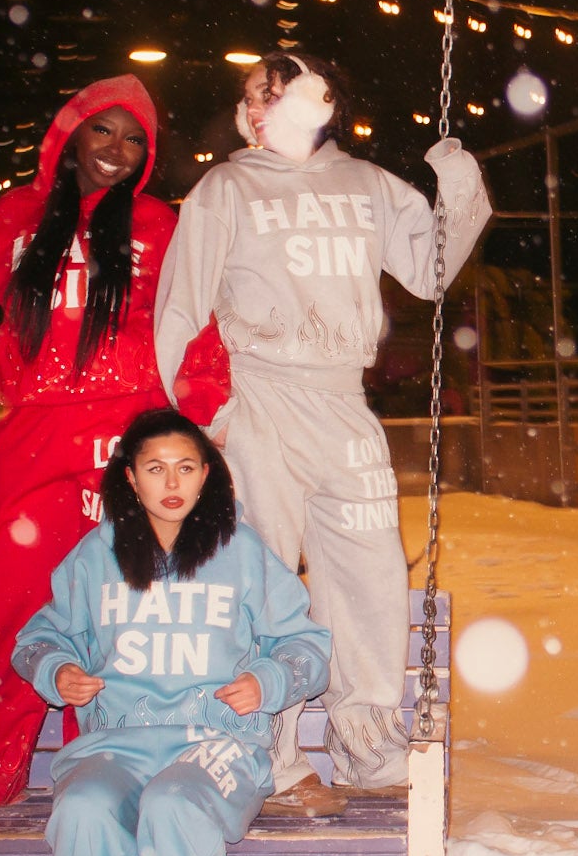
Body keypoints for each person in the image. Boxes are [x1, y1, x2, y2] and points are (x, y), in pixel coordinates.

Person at [0, 75, 228, 810]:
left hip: (132, 433)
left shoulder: (158, 223)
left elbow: (198, 325)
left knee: (135, 603)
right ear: (69, 136)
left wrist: (201, 417)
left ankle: (127, 756)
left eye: (134, 138)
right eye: (103, 130)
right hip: (38, 435)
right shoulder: (20, 215)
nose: (117, 149)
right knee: (20, 599)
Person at [154, 53, 492, 814]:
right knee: (261, 574)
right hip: (258, 395)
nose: (264, 103)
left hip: (342, 399)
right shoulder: (225, 189)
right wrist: (202, 418)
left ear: (324, 102)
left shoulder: (367, 184)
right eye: (254, 95)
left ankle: (366, 740)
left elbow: (431, 270)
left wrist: (458, 185)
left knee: (370, 571)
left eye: (281, 90)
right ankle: (267, 756)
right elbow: (181, 307)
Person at [12, 408, 328, 856]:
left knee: (173, 805)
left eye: (186, 467)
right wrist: (58, 670)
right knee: (83, 810)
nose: (172, 482)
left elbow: (306, 646)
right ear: (130, 478)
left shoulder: (241, 552)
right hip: (116, 742)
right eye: (155, 468)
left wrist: (267, 680)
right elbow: (38, 639)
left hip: (216, 743)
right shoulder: (95, 558)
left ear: (208, 474)